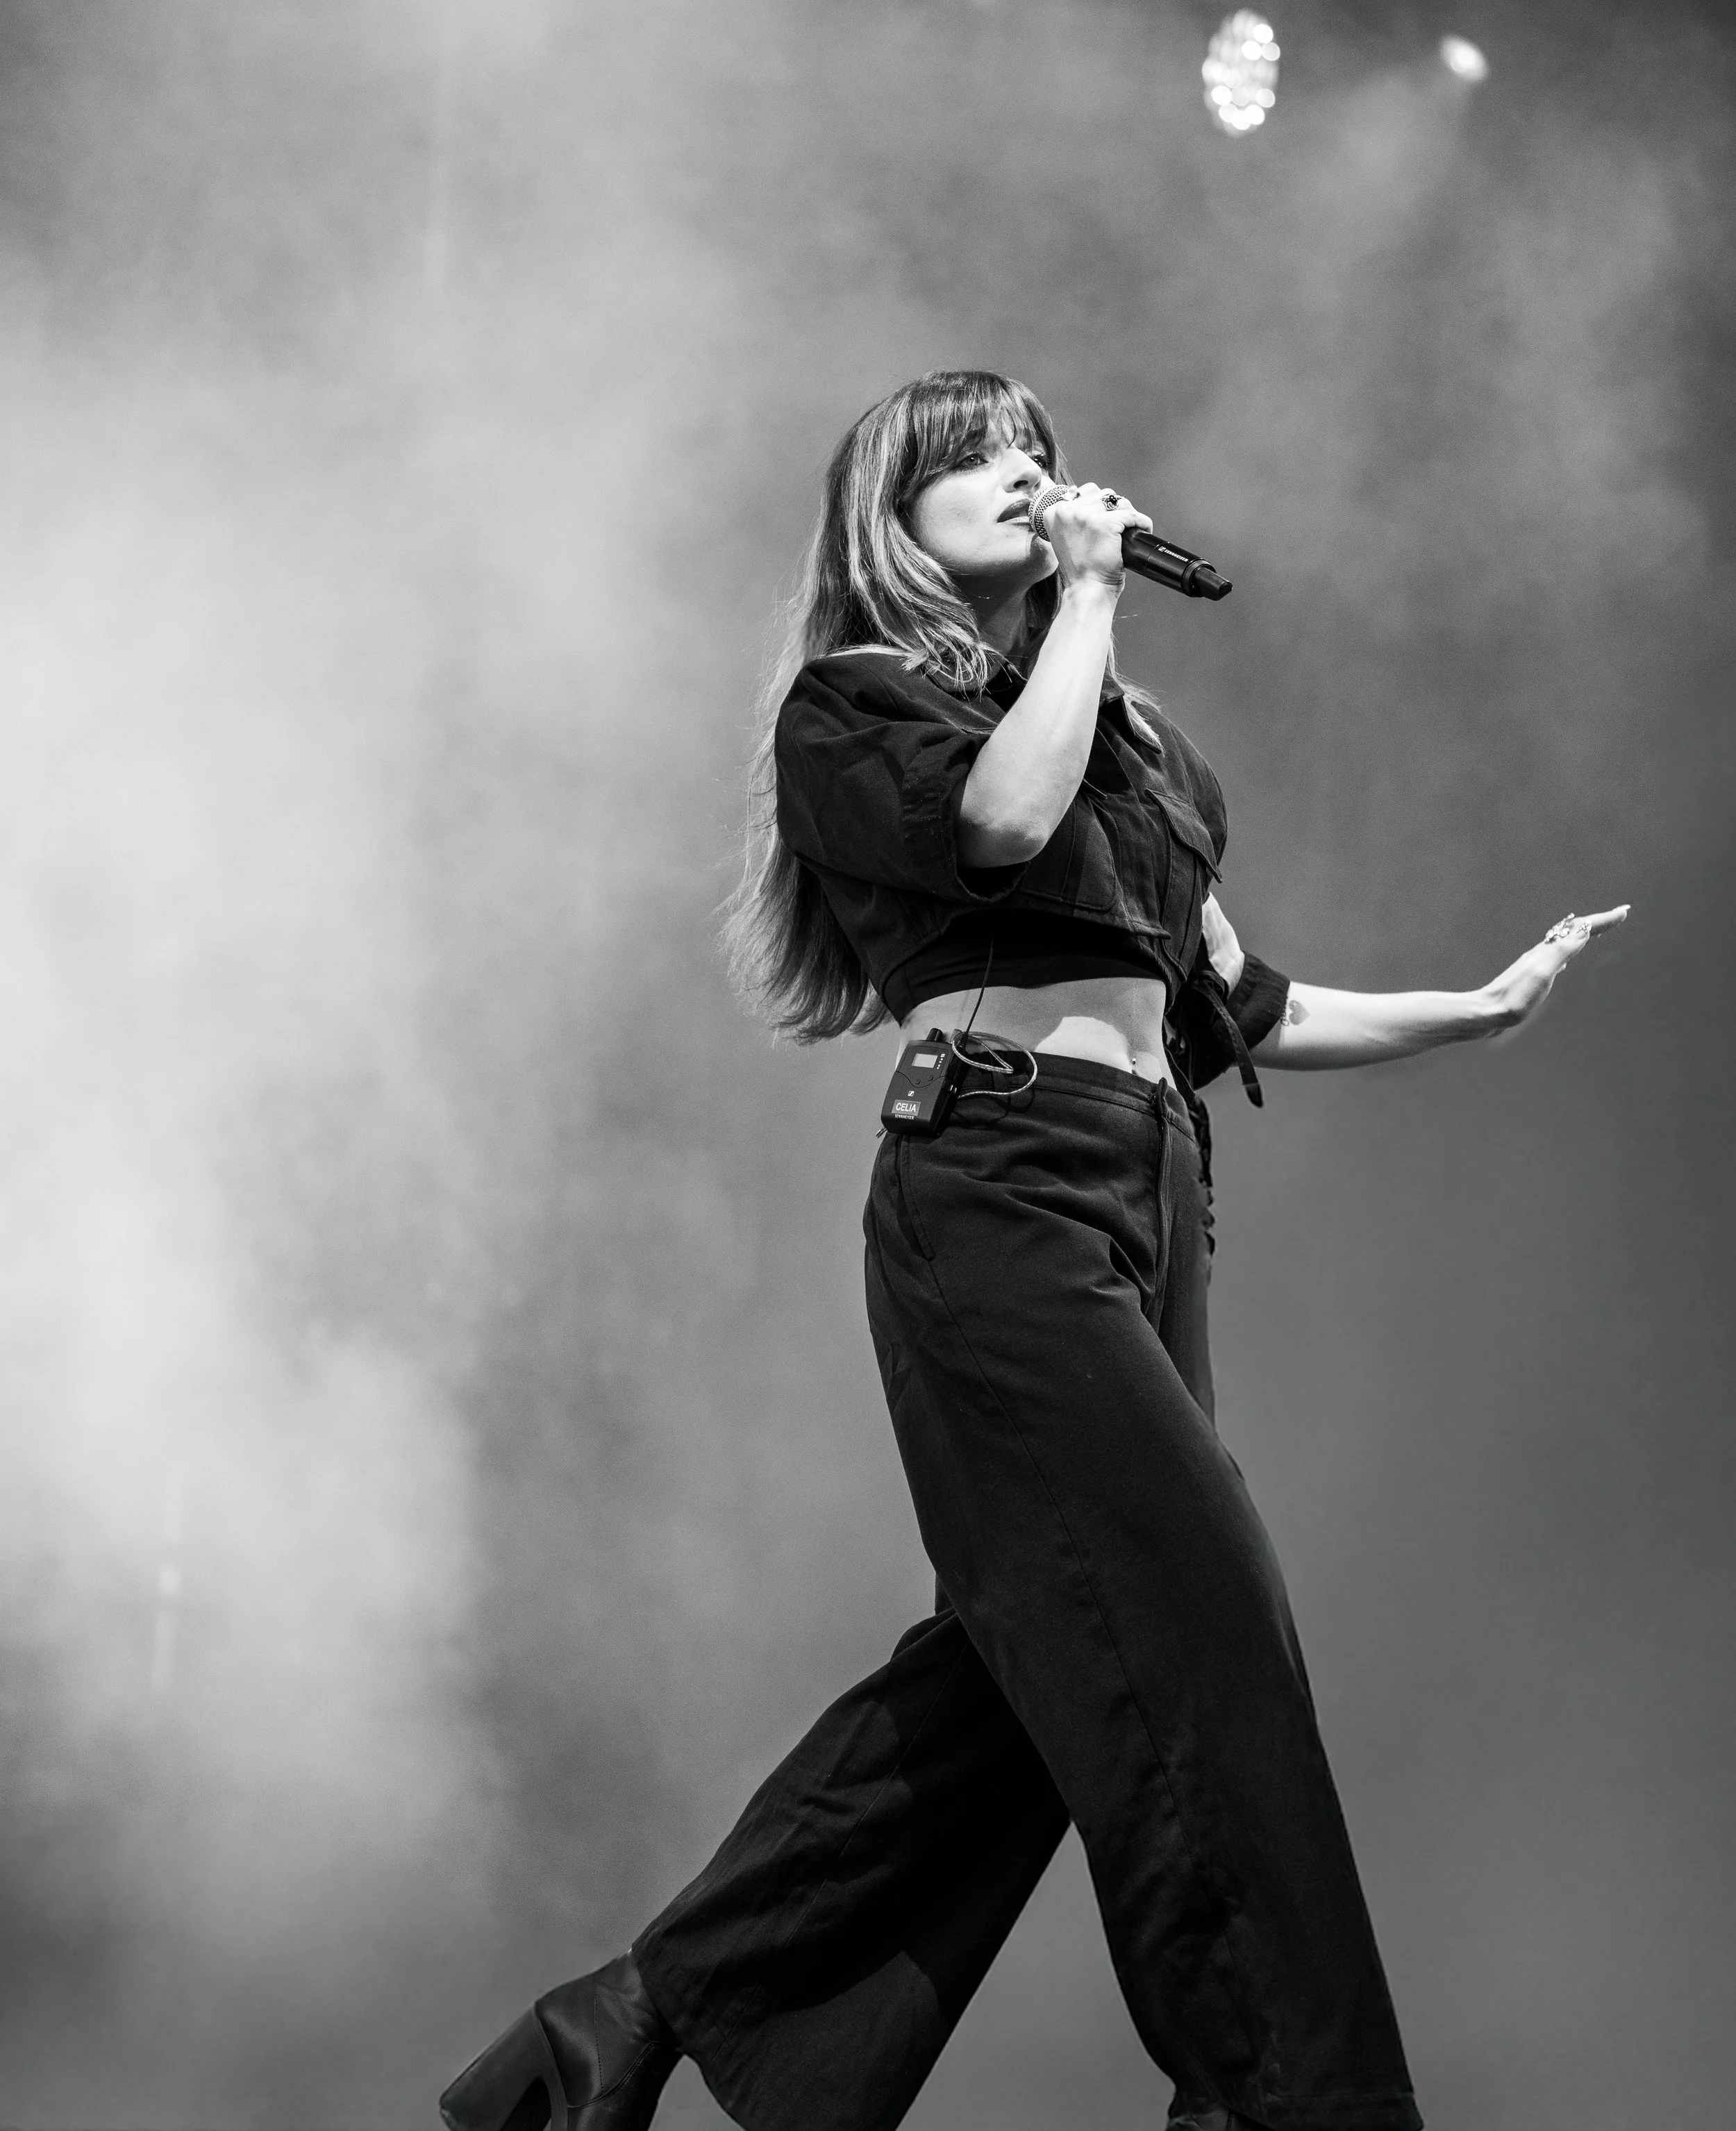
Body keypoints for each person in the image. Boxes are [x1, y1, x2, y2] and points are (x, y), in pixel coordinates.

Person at [439, 370, 1626, 2131]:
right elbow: (996, 824)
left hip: (1147, 1195)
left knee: (1028, 1675)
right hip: (987, 1188)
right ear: (888, 515)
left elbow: (1239, 998)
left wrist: (1480, 1007)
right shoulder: (849, 711)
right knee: (1203, 1633)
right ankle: (1286, 2100)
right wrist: (1082, 599)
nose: (1027, 476)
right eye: (975, 460)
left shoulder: (1125, 745)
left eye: (1040, 458)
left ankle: (619, 2023)